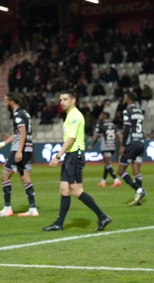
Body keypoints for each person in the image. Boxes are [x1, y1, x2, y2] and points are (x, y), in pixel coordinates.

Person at [43, 89, 112, 232]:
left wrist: (57, 157)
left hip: (75, 155)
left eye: (65, 99)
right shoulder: (69, 115)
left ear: (73, 101)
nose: (61, 102)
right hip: (70, 156)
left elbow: (71, 139)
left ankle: (102, 216)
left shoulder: (74, 116)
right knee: (64, 189)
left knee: (76, 190)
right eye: (60, 99)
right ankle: (59, 223)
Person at [0, 92, 39, 218]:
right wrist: (2, 144)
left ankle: (7, 208)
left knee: (5, 176)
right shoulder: (25, 113)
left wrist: (18, 151)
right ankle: (33, 209)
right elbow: (18, 133)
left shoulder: (17, 114)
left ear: (12, 101)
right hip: (28, 148)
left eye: (6, 100)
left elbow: (22, 134)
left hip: (20, 149)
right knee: (25, 178)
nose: (5, 102)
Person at [117, 92, 147, 206]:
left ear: (128, 99)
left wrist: (123, 145)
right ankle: (138, 198)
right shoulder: (139, 111)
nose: (124, 98)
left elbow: (127, 128)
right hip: (140, 142)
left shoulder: (127, 111)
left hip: (131, 143)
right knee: (136, 171)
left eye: (125, 97)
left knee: (121, 171)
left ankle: (139, 190)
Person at [89, 111, 122, 187]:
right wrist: (121, 145)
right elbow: (118, 135)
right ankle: (103, 181)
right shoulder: (113, 125)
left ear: (104, 116)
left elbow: (97, 136)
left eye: (101, 115)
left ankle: (116, 180)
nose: (100, 116)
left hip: (105, 146)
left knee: (108, 164)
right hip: (112, 146)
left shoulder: (101, 124)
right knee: (107, 164)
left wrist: (92, 145)